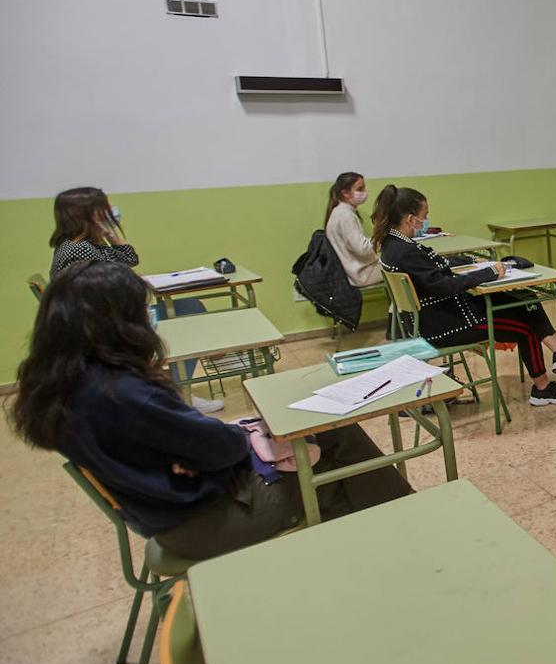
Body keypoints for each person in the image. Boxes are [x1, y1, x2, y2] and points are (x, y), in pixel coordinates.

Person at [10, 261, 412, 560]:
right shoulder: (125, 393)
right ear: (117, 322)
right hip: (203, 520)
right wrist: (227, 443)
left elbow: (200, 445)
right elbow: (221, 449)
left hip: (166, 512)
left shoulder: (59, 383)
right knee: (345, 464)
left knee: (326, 440)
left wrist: (202, 449)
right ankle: (408, 529)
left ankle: (399, 524)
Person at [372, 185, 556, 406]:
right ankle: (543, 389)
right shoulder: (406, 251)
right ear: (411, 219)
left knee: (524, 298)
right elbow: (443, 286)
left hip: (437, 316)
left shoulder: (393, 245)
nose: (426, 221)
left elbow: (435, 266)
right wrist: (488, 273)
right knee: (524, 328)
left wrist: (472, 261)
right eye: (425, 215)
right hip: (445, 324)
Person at [48, 186, 223, 414]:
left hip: (102, 321)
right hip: (101, 329)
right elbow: (116, 281)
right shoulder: (80, 250)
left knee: (190, 307)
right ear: (88, 213)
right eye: (104, 209)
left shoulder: (79, 245)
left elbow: (129, 259)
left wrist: (111, 234)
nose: (111, 212)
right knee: (188, 314)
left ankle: (180, 388)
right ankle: (181, 391)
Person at [324, 171, 381, 287]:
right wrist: (382, 237)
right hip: (361, 274)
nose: (365, 192)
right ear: (345, 193)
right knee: (402, 266)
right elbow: (362, 249)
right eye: (360, 189)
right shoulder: (345, 215)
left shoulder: (339, 212)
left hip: (355, 272)